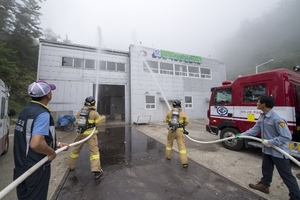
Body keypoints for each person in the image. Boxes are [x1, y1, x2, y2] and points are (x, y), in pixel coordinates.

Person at [13, 80, 69, 200]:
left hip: (20, 166)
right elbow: (36, 143)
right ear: (48, 95)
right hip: (36, 168)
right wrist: (50, 152)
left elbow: (29, 135)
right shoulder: (42, 114)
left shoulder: (25, 111)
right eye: (50, 91)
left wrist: (57, 144)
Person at [236, 95, 300, 200]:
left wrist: (270, 142)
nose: (256, 104)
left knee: (286, 175)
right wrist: (241, 135)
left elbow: (286, 137)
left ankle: (295, 197)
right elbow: (255, 129)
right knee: (266, 169)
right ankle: (264, 185)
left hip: (279, 152)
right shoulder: (262, 116)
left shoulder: (277, 119)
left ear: (263, 104)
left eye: (258, 102)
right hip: (267, 150)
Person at [68, 96, 105, 179]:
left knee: (75, 150)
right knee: (94, 153)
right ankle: (97, 171)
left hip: (80, 134)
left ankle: (71, 166)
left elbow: (78, 122)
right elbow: (98, 124)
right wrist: (101, 118)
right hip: (91, 136)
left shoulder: (79, 112)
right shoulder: (94, 113)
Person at [165, 99, 189, 168]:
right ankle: (184, 162)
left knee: (169, 144)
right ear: (180, 105)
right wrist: (182, 125)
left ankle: (168, 156)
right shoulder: (183, 113)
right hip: (179, 131)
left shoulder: (169, 112)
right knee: (181, 146)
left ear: (173, 105)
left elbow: (166, 120)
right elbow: (187, 122)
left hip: (171, 131)